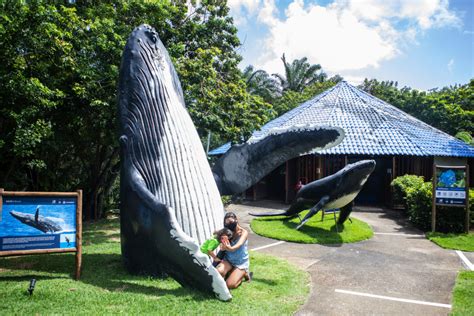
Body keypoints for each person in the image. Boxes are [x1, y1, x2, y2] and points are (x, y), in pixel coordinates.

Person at [216, 212, 251, 289]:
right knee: (218, 272)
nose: (229, 225)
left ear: (236, 220)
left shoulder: (243, 232)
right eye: (227, 223)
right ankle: (231, 271)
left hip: (240, 263)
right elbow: (216, 233)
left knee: (229, 285)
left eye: (231, 222)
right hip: (228, 260)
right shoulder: (227, 231)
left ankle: (243, 274)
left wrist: (230, 248)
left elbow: (238, 245)